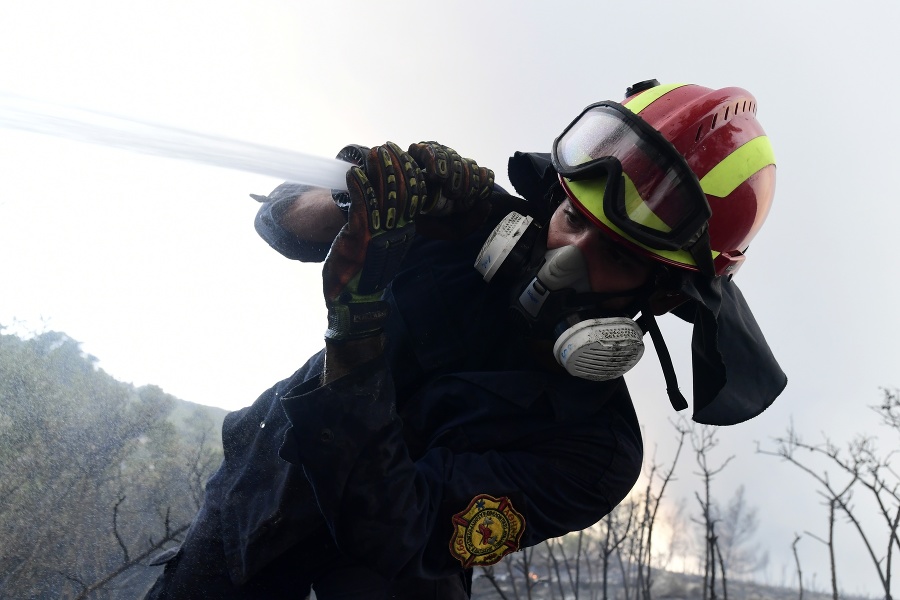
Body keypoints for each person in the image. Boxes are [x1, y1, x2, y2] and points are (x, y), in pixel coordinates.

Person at [144, 80, 786, 599]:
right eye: (570, 218)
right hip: (239, 525)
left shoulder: (594, 454)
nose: (563, 257)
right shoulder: (466, 226)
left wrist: (356, 336)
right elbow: (280, 223)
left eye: (616, 256)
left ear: (668, 294)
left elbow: (396, 532)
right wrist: (361, 205)